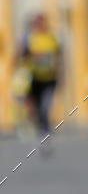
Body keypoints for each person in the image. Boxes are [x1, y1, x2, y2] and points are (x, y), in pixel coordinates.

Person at [19, 13, 62, 155]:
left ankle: (45, 136)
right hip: (34, 79)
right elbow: (21, 54)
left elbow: (58, 56)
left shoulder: (52, 37)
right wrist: (32, 55)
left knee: (44, 108)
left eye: (42, 22)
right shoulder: (29, 38)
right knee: (35, 110)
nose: (40, 25)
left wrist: (60, 74)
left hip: (49, 80)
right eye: (37, 23)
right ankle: (40, 133)